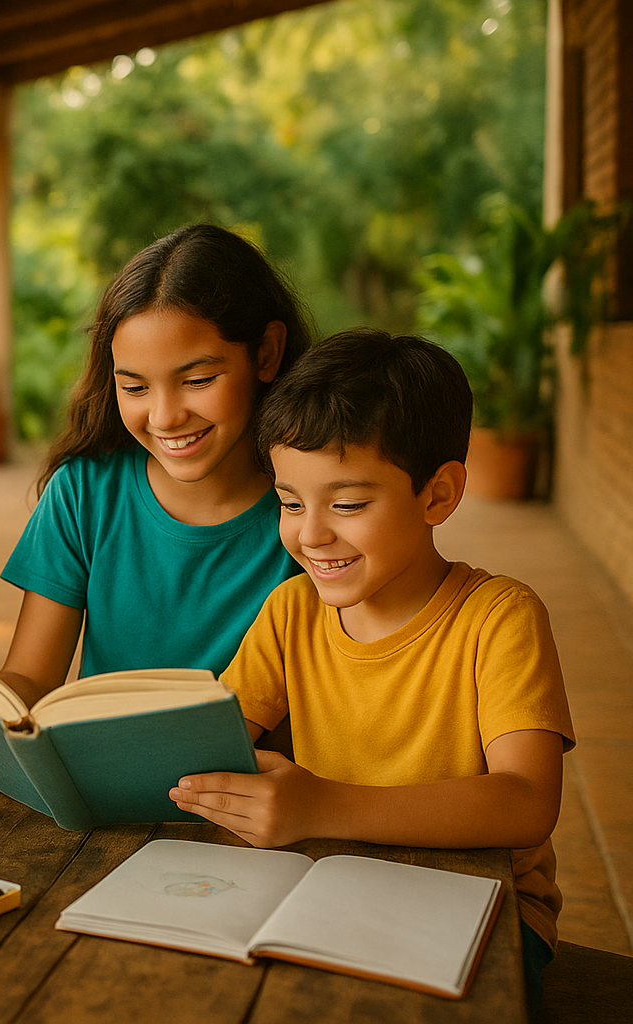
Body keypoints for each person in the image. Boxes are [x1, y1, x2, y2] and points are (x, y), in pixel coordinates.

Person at [170, 328, 574, 1006]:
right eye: (290, 503)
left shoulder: (499, 617)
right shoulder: (291, 612)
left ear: (438, 494)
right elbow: (216, 742)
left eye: (348, 504)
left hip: (484, 909)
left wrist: (321, 805)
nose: (311, 534)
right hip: (322, 893)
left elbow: (527, 801)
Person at [0, 223, 311, 790]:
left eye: (197, 379)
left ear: (266, 353)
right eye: (135, 388)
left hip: (258, 803)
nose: (164, 417)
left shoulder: (315, 513)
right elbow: (30, 677)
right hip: (105, 797)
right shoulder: (84, 494)